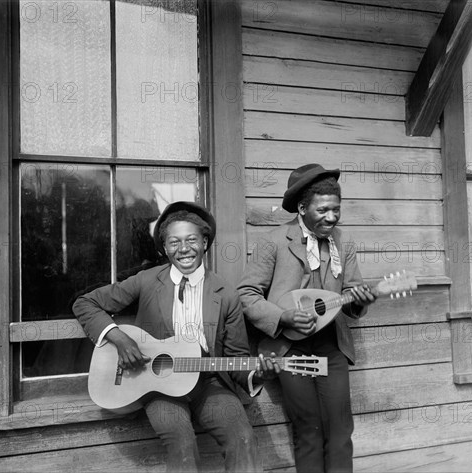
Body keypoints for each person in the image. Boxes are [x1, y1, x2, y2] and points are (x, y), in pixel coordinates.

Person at [73, 201, 280, 473]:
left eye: (191, 240)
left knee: (243, 438)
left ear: (205, 243)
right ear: (165, 247)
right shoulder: (147, 280)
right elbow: (85, 303)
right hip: (158, 385)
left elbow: (237, 357)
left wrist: (258, 374)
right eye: (174, 242)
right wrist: (120, 339)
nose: (183, 249)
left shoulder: (225, 293)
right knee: (181, 445)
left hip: (210, 381)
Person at [237, 164, 376, 473]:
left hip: (331, 346)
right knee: (308, 429)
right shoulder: (274, 241)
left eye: (336, 210)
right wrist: (284, 317)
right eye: (323, 209)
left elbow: (351, 294)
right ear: (302, 208)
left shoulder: (342, 242)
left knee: (340, 429)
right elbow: (246, 294)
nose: (332, 217)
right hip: (288, 349)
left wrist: (361, 301)